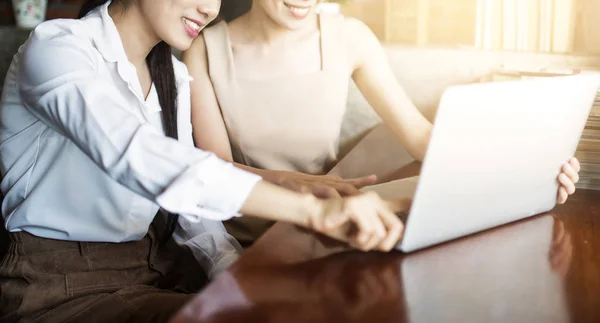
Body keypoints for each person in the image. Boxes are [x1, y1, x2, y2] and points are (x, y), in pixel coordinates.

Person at [0, 0, 408, 321]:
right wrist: (313, 211)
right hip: (59, 285)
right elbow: (141, 157)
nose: (210, 8)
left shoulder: (173, 78)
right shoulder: (57, 47)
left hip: (153, 266)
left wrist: (240, 273)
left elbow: (193, 216)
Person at [182, 0, 582, 243]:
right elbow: (217, 172)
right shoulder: (205, 50)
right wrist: (306, 194)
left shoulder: (349, 37)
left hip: (343, 221)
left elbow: (421, 137)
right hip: (259, 235)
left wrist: (526, 174)